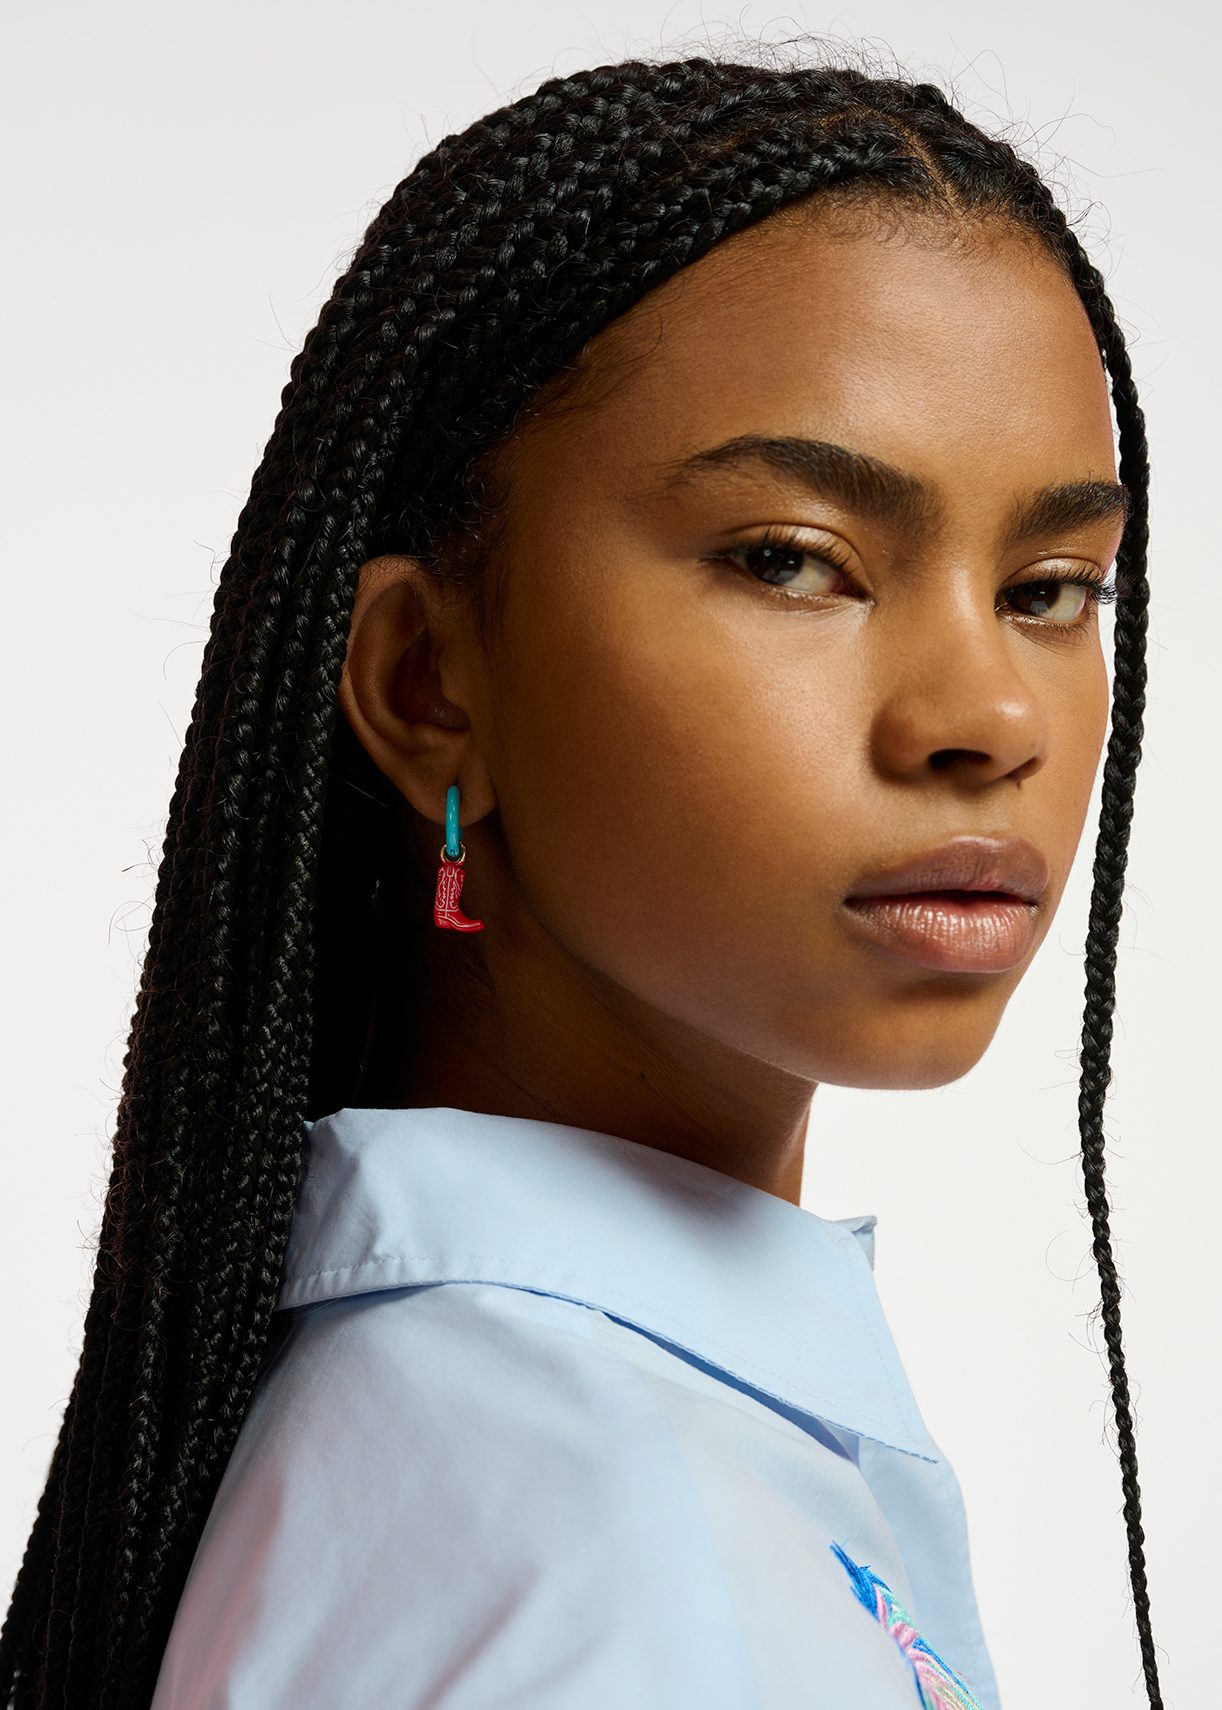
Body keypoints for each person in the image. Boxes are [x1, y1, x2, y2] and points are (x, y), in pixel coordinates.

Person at [0, 47, 1164, 1710]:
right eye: (792, 561)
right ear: (426, 685)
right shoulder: (576, 1517)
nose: (984, 715)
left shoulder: (541, 1433)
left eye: (1052, 585)